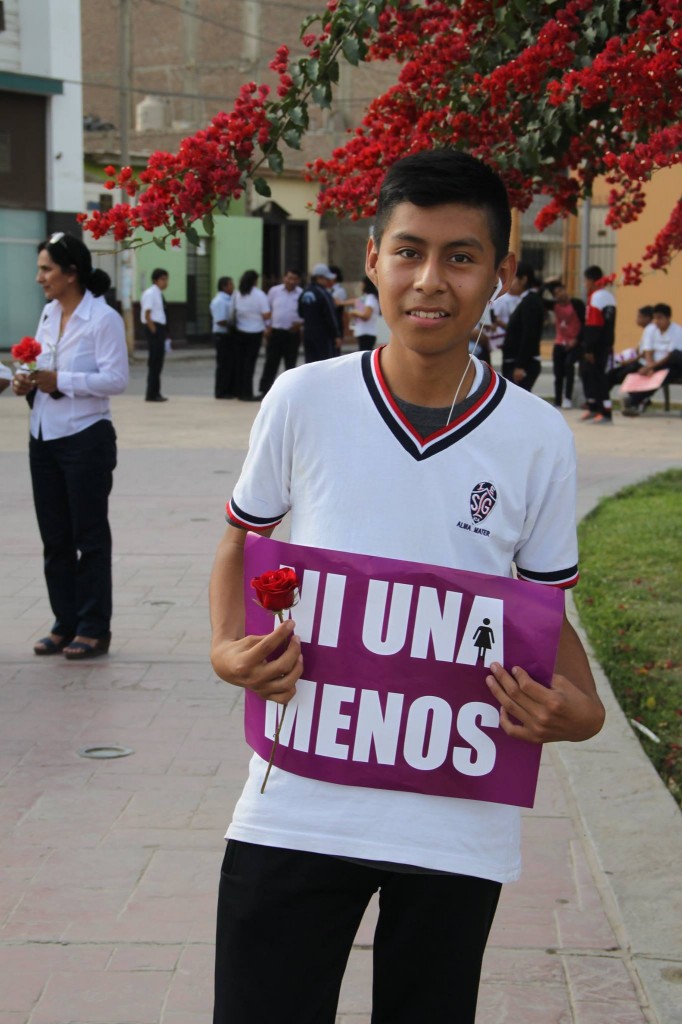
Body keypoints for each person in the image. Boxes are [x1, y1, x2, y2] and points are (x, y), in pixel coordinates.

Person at [209, 149, 604, 1024]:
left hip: (457, 811)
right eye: (409, 251)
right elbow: (242, 539)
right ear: (374, 262)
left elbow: (541, 610)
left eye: (461, 256)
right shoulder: (303, 398)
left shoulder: (537, 439)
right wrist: (223, 646)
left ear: (501, 274)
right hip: (297, 796)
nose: (431, 280)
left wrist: (583, 710)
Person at [11, 231, 128, 659]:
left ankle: (95, 626)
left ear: (71, 272)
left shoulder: (103, 318)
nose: (40, 277)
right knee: (55, 536)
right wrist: (25, 377)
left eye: (46, 268)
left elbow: (116, 379)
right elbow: (42, 364)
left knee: (89, 535)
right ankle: (66, 621)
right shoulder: (48, 313)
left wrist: (63, 381)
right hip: (44, 435)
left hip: (85, 439)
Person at [622, 303, 682, 416]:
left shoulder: (677, 331)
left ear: (668, 318)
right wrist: (649, 366)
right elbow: (648, 351)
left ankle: (635, 401)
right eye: (655, 318)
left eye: (660, 318)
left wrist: (651, 367)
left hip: (673, 364)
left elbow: (670, 355)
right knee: (638, 371)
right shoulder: (651, 330)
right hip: (655, 363)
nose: (657, 321)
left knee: (662, 374)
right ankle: (634, 399)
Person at [501, 261, 545, 391]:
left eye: (513, 279)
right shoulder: (525, 300)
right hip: (514, 362)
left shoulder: (530, 302)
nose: (510, 284)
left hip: (521, 365)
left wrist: (521, 366)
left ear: (524, 279)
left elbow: (529, 335)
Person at [580, 265, 616, 424]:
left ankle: (605, 411)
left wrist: (589, 348)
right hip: (604, 343)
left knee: (598, 377)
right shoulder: (608, 296)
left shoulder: (597, 297)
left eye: (586, 280)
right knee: (588, 375)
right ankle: (593, 407)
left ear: (592, 280)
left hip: (597, 346)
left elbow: (594, 325)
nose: (585, 284)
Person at [258, 269, 303, 395]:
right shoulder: (274, 291)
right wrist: (267, 327)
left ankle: (290, 392)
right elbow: (268, 309)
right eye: (289, 278)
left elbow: (305, 314)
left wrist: (300, 324)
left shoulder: (301, 294)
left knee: (291, 364)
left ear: (298, 281)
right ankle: (265, 390)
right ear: (284, 278)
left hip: (292, 333)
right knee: (271, 362)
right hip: (276, 332)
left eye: (294, 278)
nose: (291, 281)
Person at [232, 270, 270, 402]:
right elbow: (266, 314)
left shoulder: (238, 294)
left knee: (240, 363)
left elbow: (235, 311)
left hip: (240, 331)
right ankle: (247, 393)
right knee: (250, 364)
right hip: (255, 332)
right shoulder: (259, 295)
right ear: (255, 280)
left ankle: (239, 391)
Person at [545, 280, 585, 408]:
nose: (559, 295)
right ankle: (557, 400)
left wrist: (577, 339)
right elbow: (539, 297)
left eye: (560, 291)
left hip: (574, 343)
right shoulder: (554, 306)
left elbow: (585, 324)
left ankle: (567, 398)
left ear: (565, 289)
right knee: (558, 372)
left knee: (569, 366)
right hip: (559, 342)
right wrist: (546, 284)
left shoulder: (577, 304)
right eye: (555, 294)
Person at [298, 263, 342, 362]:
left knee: (310, 364)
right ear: (320, 278)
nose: (328, 282)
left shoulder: (305, 292)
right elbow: (330, 315)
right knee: (325, 363)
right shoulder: (324, 294)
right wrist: (336, 335)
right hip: (323, 336)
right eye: (327, 279)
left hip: (308, 334)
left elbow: (300, 313)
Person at [141, 267, 169, 402]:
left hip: (160, 328)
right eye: (162, 279)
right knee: (154, 362)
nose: (165, 282)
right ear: (155, 280)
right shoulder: (150, 293)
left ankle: (156, 392)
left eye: (166, 279)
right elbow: (147, 314)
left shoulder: (158, 293)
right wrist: (154, 331)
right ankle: (151, 393)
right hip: (154, 328)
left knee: (158, 362)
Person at [210, 276, 236, 399]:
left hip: (228, 335)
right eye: (231, 285)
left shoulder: (229, 299)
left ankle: (228, 389)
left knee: (229, 364)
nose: (233, 287)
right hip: (222, 335)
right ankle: (221, 391)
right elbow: (220, 320)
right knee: (223, 365)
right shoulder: (220, 300)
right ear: (224, 286)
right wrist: (235, 324)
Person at [345, 275, 380, 351]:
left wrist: (355, 312)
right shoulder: (366, 297)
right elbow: (355, 301)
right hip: (364, 332)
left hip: (367, 333)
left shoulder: (370, 298)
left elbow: (366, 316)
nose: (360, 285)